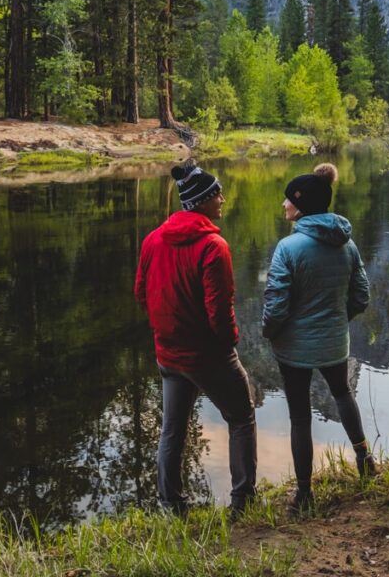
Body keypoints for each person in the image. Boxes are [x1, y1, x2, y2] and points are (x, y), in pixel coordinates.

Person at [135, 161, 257, 516]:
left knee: (172, 430)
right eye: (216, 192)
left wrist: (165, 329)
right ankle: (242, 502)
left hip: (168, 354)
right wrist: (230, 344)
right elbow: (219, 311)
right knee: (241, 416)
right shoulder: (213, 246)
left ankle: (172, 506)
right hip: (207, 356)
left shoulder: (152, 239)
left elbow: (141, 293)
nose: (222, 198)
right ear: (202, 200)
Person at [262, 162, 373, 513]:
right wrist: (338, 320)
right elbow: (361, 296)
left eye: (288, 201)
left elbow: (276, 306)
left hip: (294, 348)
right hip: (334, 342)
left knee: (299, 416)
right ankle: (364, 457)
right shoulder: (348, 244)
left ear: (302, 205)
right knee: (343, 394)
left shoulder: (288, 248)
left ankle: (305, 493)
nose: (284, 206)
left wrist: (269, 333)